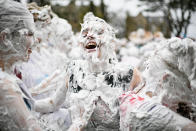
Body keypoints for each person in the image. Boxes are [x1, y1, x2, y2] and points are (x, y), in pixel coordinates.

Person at [33, 12, 196, 131]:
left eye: (98, 32)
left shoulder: (128, 74)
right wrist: (24, 102)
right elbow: (53, 103)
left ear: (111, 42)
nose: (90, 36)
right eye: (85, 33)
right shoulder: (74, 69)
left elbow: (146, 110)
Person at [0, 0, 41, 130]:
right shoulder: (4, 84)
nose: (35, 42)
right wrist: (80, 121)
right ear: (5, 38)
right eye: (29, 34)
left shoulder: (8, 76)